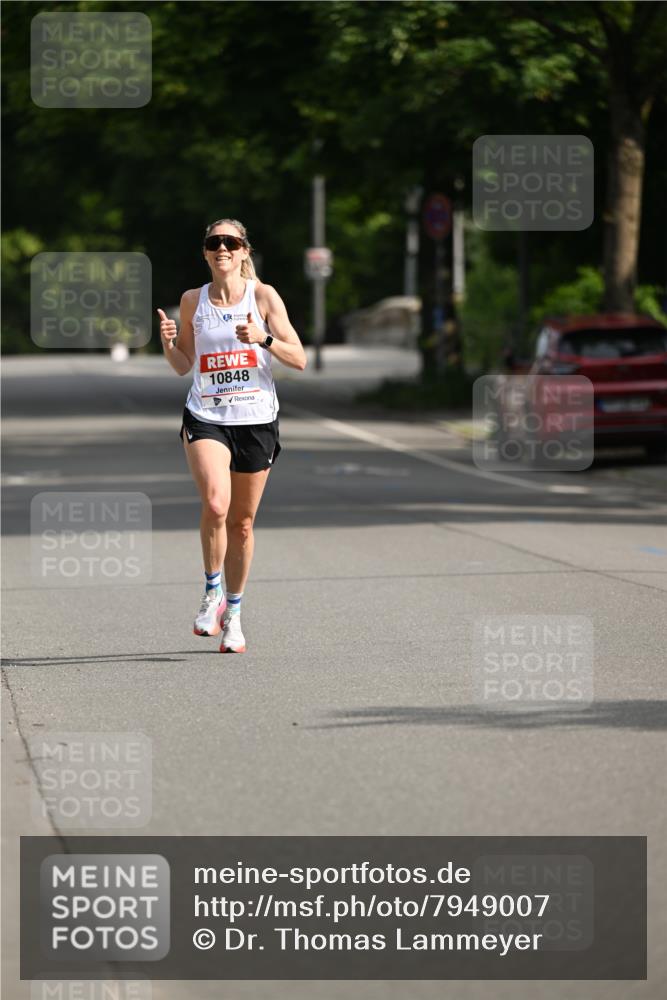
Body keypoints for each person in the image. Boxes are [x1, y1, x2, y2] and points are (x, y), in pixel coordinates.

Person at [157, 219, 306, 652]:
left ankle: (235, 615)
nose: (222, 248)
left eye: (231, 242)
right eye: (213, 242)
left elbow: (298, 359)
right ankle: (212, 591)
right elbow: (184, 364)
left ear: (244, 251)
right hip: (207, 415)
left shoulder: (263, 296)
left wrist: (264, 338)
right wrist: (168, 345)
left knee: (242, 524)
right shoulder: (192, 301)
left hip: (256, 419)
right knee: (216, 503)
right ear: (205, 252)